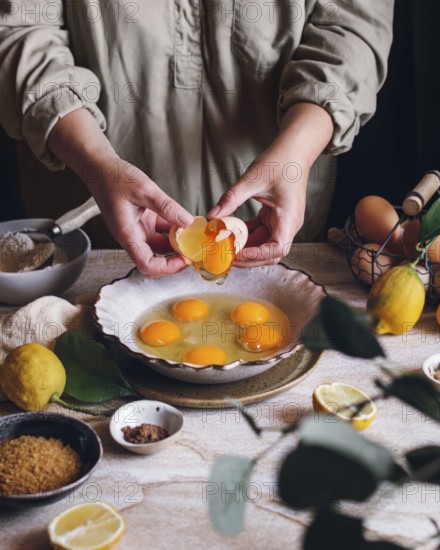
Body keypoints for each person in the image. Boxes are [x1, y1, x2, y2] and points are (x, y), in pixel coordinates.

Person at [0, 0, 394, 276]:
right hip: (92, 228)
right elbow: (20, 28)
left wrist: (296, 152)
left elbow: (351, 26)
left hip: (273, 227)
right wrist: (96, 161)